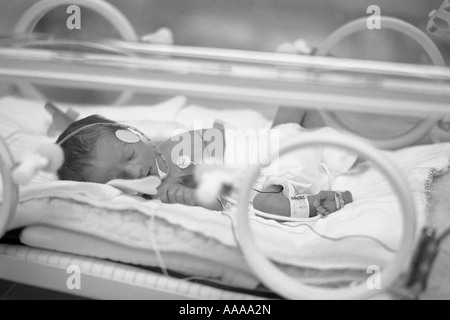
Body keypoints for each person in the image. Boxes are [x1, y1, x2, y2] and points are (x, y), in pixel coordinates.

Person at [56, 115, 353, 218]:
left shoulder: (171, 147)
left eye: (129, 157)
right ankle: (324, 201)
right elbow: (217, 202)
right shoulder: (162, 190)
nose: (134, 173)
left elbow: (212, 139)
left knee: (294, 111)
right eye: (120, 178)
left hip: (272, 141)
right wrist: (185, 194)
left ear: (133, 134)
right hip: (281, 166)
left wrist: (187, 164)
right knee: (265, 202)